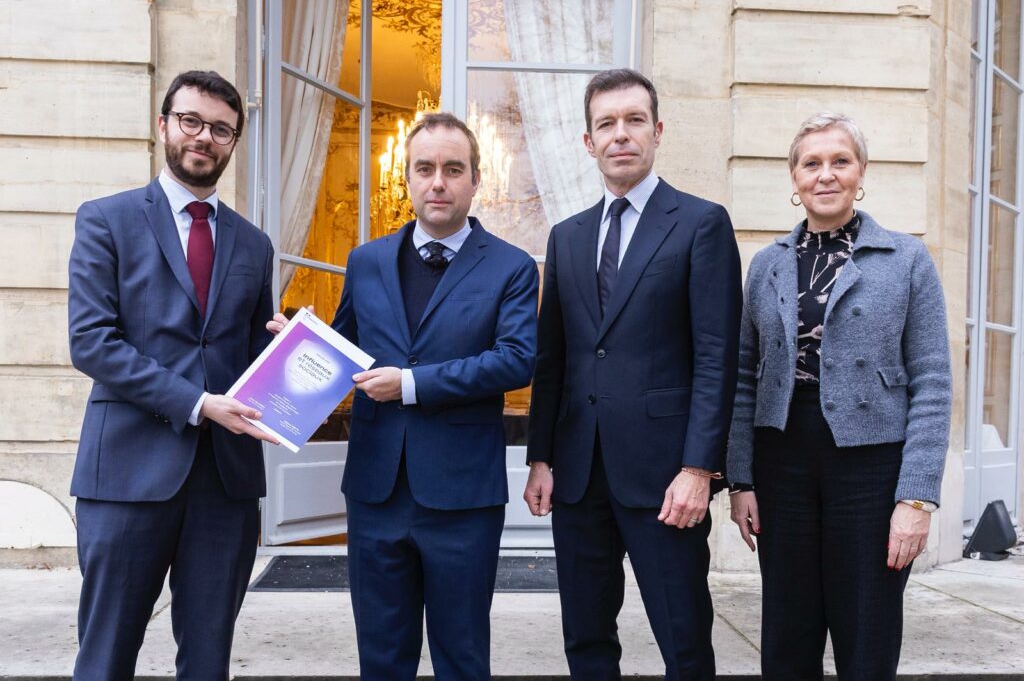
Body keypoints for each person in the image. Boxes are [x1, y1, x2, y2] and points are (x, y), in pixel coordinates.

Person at [269, 112, 538, 679]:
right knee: (381, 657)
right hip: (377, 491)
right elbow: (343, 354)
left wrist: (411, 385)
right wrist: (297, 348)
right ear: (407, 178)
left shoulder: (512, 268)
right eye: (425, 168)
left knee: (462, 656)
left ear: (475, 179)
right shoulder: (366, 261)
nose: (438, 181)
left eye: (453, 169)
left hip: (462, 496)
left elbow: (516, 359)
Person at [524, 68, 742, 680]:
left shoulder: (701, 223)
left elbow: (717, 357)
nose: (620, 134)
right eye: (606, 124)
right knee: (586, 637)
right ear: (588, 141)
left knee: (683, 639)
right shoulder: (566, 237)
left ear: (657, 130)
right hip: (577, 475)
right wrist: (540, 456)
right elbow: (553, 359)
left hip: (665, 477)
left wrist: (699, 469)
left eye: (634, 120)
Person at [726, 112, 952, 680]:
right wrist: (741, 479)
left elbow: (932, 382)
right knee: (788, 630)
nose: (825, 174)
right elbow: (744, 375)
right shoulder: (767, 265)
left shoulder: (907, 259)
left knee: (867, 628)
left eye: (839, 161)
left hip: (872, 467)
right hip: (782, 461)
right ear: (794, 178)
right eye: (811, 163)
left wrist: (916, 499)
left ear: (861, 172)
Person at [67, 71, 278, 679]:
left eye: (221, 129)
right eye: (191, 121)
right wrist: (197, 403)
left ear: (233, 142)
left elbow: (249, 356)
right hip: (127, 475)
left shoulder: (255, 244)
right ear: (164, 126)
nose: (204, 137)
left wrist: (288, 352)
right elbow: (91, 342)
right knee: (105, 657)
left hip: (225, 485)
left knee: (209, 660)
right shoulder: (106, 220)